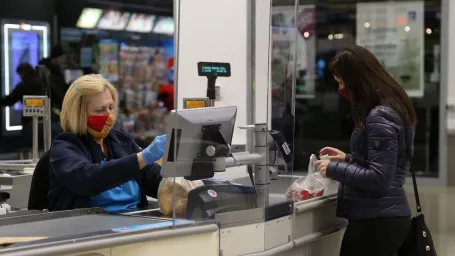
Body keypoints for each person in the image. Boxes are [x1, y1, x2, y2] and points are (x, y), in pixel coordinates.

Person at [314, 45, 416, 256]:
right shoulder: (393, 106)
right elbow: (386, 160)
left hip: (376, 224)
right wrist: (348, 158)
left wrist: (334, 168)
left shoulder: (380, 115)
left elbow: (379, 178)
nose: (341, 89)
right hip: (381, 219)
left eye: (342, 82)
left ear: (356, 81)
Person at [48, 74, 165, 212]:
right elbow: (89, 179)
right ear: (79, 114)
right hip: (88, 228)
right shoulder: (64, 146)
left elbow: (156, 181)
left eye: (111, 107)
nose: (109, 115)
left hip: (133, 224)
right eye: (100, 110)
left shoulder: (121, 140)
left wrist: (185, 184)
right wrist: (142, 157)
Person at [0, 63, 43, 147]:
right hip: (46, 122)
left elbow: (9, 101)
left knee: (30, 150)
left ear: (22, 73)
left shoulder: (22, 86)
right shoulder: (43, 83)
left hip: (29, 123)